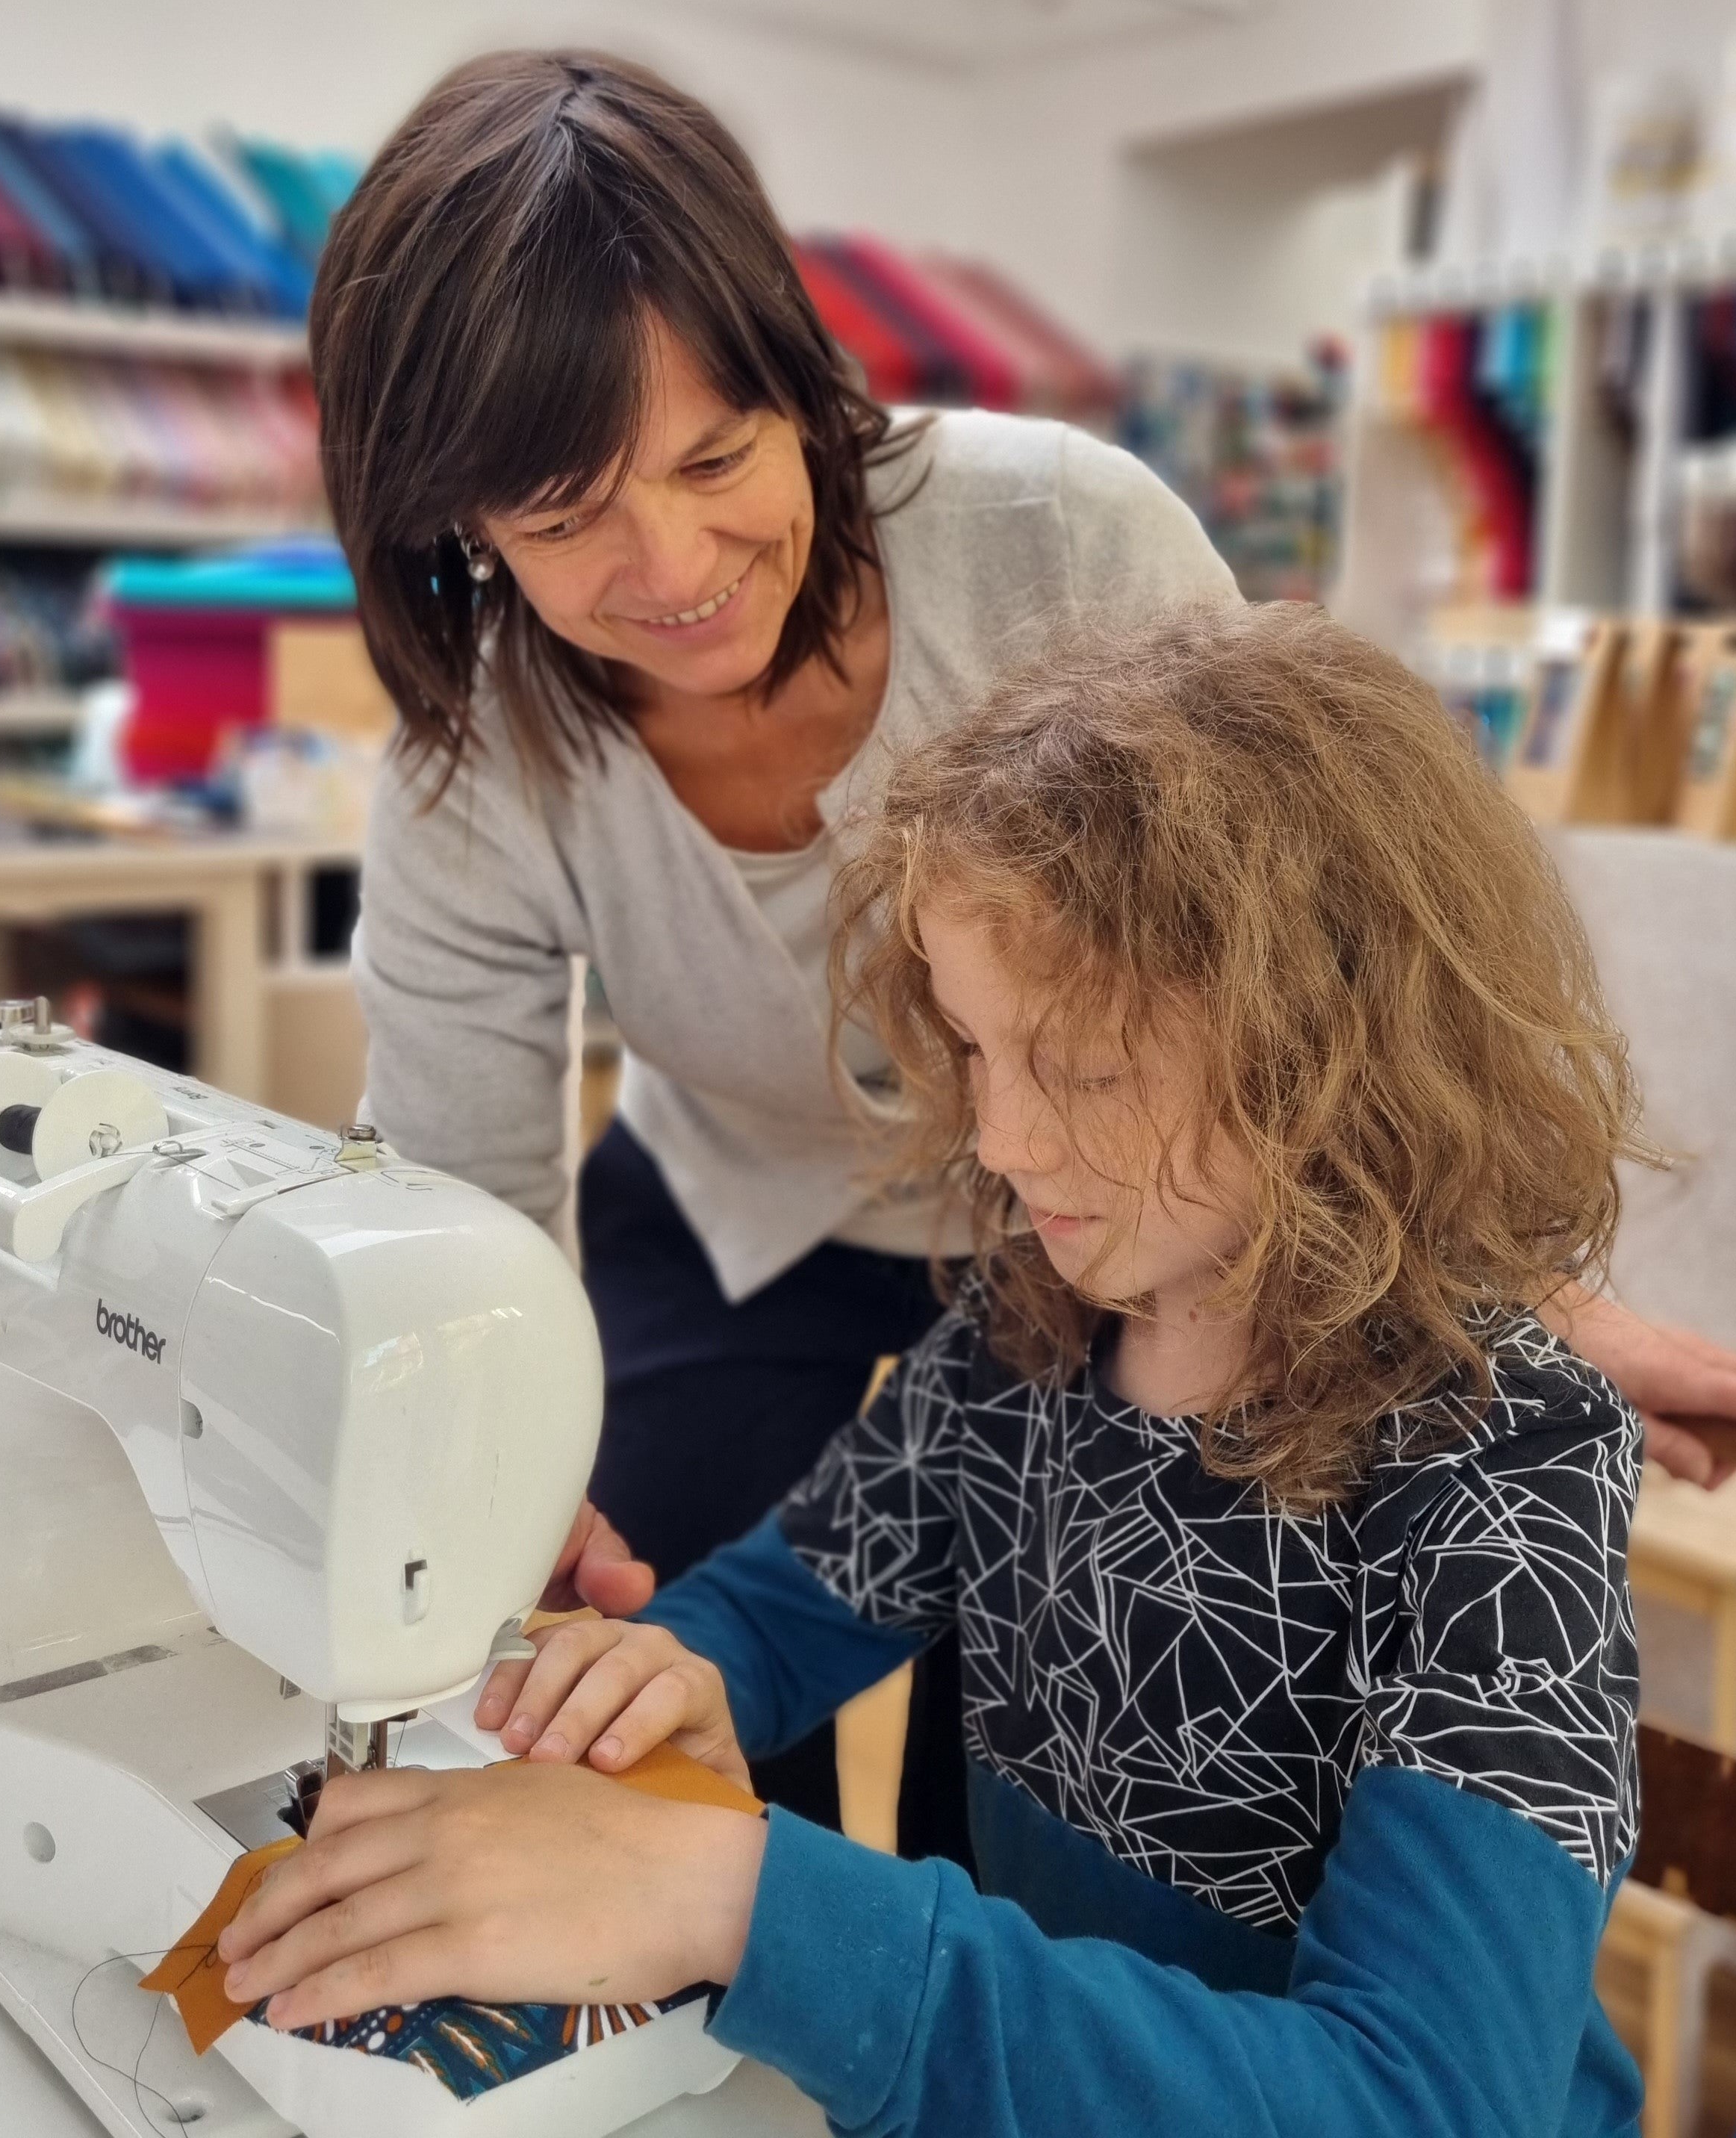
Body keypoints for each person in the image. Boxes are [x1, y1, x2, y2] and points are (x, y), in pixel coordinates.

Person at [317, 47, 1736, 1844]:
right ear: (459, 526)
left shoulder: (1055, 539)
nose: (674, 565)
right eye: (569, 521)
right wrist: (496, 1466)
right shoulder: (471, 769)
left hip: (1084, 1224)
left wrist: (1514, 1291)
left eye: (719, 457)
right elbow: (460, 1208)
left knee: (1037, 1772)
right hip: (739, 1208)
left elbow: (1318, 951)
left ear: (799, 382)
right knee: (656, 1671)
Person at [219, 602, 1655, 2136]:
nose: (1001, 1141)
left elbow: (1426, 2103)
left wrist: (743, 1900)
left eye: (1083, 1070)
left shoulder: (1505, 1481)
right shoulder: (1032, 1325)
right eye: (973, 1051)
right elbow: (809, 1590)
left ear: (1332, 1048)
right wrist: (679, 1664)